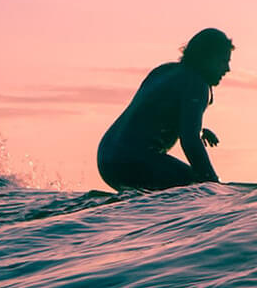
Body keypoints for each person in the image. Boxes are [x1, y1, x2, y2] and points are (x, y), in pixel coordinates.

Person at [97, 28, 233, 191]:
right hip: (133, 160)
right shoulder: (197, 84)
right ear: (206, 58)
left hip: (106, 157)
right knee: (195, 188)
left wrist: (199, 130)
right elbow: (190, 141)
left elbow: (150, 113)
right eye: (223, 61)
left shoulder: (164, 71)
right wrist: (214, 187)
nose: (227, 69)